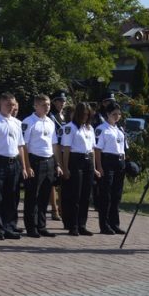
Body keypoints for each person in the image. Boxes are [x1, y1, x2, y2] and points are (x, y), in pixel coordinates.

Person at [0, 93, 26, 240]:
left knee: (12, 196)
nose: (11, 107)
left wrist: (24, 166)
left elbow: (21, 146)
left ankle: (10, 226)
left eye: (13, 105)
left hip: (13, 162)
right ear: (1, 104)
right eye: (8, 104)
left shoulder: (17, 123)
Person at [20, 95, 62, 238]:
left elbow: (54, 145)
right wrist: (27, 165)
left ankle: (41, 225)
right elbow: (23, 145)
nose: (47, 107)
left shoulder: (50, 122)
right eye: (43, 105)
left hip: (48, 161)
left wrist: (57, 164)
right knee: (32, 196)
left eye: (48, 104)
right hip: (34, 160)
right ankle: (31, 227)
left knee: (44, 196)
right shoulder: (28, 122)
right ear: (35, 106)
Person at [60, 101, 97, 237]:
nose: (85, 117)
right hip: (75, 160)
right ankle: (73, 225)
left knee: (86, 195)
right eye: (83, 114)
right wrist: (65, 167)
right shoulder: (70, 128)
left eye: (88, 115)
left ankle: (82, 224)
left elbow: (92, 149)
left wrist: (94, 167)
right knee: (75, 195)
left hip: (88, 162)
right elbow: (66, 149)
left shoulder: (89, 128)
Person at [93, 99, 127, 235]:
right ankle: (105, 224)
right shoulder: (102, 129)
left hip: (119, 162)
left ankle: (115, 223)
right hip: (107, 162)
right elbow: (98, 150)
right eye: (114, 114)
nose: (117, 117)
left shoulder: (119, 130)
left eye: (119, 114)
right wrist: (99, 166)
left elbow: (122, 149)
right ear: (107, 114)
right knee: (106, 195)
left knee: (116, 195)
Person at [48, 92, 68, 222]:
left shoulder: (65, 116)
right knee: (54, 182)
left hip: (64, 151)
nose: (62, 103)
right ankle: (54, 209)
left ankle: (62, 207)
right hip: (55, 150)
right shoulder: (52, 117)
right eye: (59, 101)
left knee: (62, 182)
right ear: (54, 102)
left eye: (64, 101)